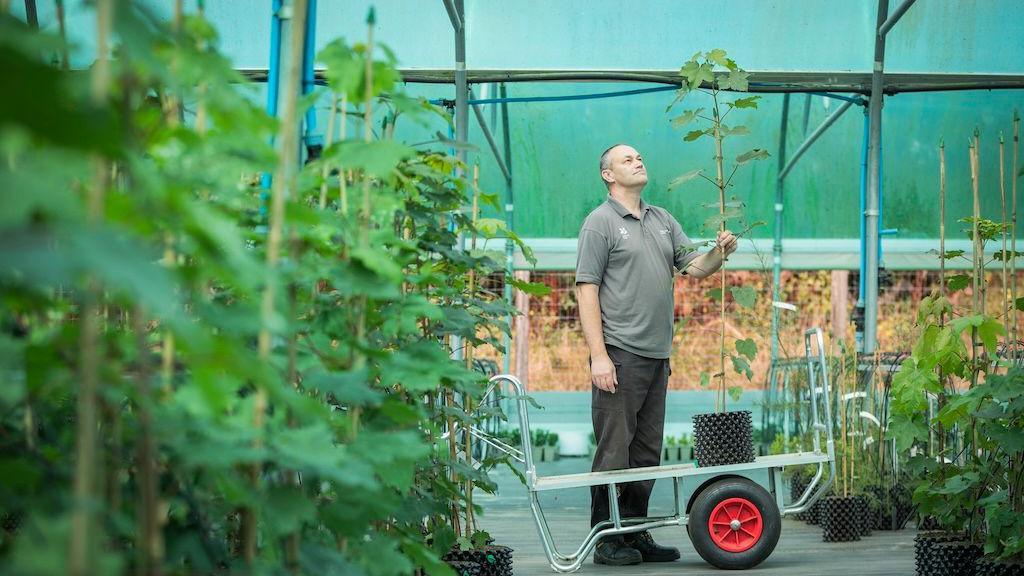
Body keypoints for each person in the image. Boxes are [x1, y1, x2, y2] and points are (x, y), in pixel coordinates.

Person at [575, 143, 737, 566]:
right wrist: (599, 356)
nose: (638, 161)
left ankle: (635, 531)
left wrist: (719, 251)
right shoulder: (600, 223)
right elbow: (586, 289)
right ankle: (607, 540)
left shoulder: (662, 219)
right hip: (620, 353)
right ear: (608, 175)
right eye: (627, 159)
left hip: (656, 355)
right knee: (614, 452)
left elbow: (694, 268)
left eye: (640, 157)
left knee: (647, 452)